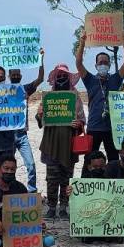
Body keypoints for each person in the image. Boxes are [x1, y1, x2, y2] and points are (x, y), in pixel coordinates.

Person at [0, 47, 45, 192]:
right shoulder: (1, 90)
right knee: (7, 167)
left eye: (17, 74)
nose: (15, 76)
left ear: (21, 75)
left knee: (30, 164)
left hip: (22, 134)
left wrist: (41, 60)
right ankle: (3, 191)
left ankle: (31, 191)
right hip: (9, 135)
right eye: (13, 74)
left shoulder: (24, 89)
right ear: (9, 76)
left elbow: (40, 80)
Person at [36, 63, 86, 219]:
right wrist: (39, 114)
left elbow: (82, 119)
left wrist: (79, 124)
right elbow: (40, 122)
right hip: (51, 142)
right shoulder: (48, 98)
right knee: (51, 177)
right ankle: (52, 206)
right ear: (55, 79)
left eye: (65, 76)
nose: (62, 79)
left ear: (69, 78)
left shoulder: (75, 96)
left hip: (69, 143)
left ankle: (63, 206)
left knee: (66, 176)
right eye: (59, 76)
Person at [76, 31, 124, 163]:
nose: (103, 65)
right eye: (100, 62)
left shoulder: (115, 79)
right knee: (89, 160)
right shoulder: (90, 80)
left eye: (105, 62)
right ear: (96, 65)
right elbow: (78, 63)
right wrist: (82, 42)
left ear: (109, 65)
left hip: (111, 128)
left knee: (113, 159)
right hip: (94, 126)